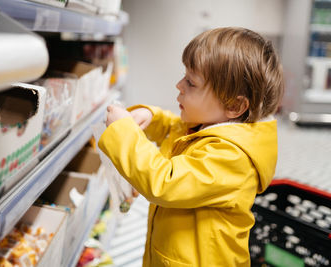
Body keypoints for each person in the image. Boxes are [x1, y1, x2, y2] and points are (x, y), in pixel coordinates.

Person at [98, 27, 284, 267]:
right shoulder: (205, 126)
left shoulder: (231, 157)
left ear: (235, 106)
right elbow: (174, 128)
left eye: (191, 82)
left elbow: (165, 183)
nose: (179, 85)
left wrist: (123, 133)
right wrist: (151, 116)